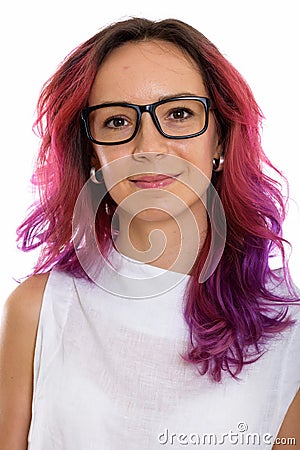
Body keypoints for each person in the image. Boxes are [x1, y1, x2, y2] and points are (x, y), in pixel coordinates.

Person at [0, 17, 299, 449]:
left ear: (220, 139)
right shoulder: (38, 309)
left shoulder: (290, 332)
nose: (148, 148)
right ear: (92, 153)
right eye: (117, 122)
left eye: (178, 114)